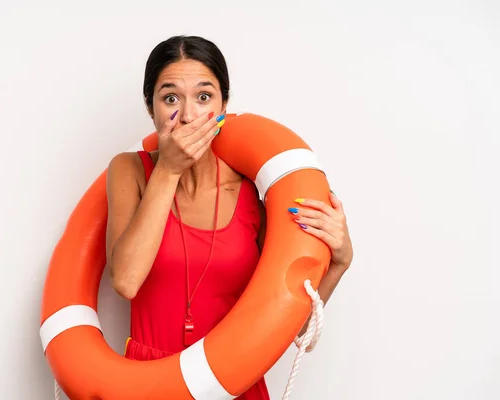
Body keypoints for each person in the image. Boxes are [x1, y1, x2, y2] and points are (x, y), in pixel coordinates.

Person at [105, 35, 353, 399]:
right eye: (170, 97)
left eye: (204, 97)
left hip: (232, 384)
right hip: (149, 382)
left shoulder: (256, 190)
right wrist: (169, 171)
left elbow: (284, 329)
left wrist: (338, 265)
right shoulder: (130, 170)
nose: (188, 115)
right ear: (150, 107)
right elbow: (126, 281)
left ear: (224, 104)